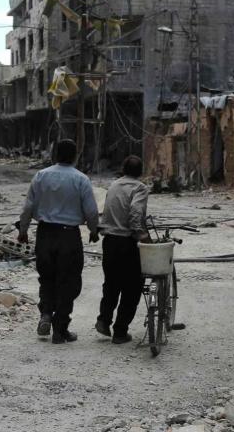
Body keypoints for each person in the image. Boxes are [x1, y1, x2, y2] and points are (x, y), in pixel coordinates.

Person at [16, 139, 99, 344]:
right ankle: (60, 330)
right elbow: (91, 211)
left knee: (47, 278)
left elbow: (28, 207)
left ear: (54, 155)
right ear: (75, 156)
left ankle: (46, 312)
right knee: (68, 282)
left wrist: (23, 231)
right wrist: (94, 230)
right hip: (69, 236)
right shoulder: (81, 179)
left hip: (45, 234)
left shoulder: (41, 176)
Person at [94, 156, 149, 344]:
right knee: (132, 288)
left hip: (109, 242)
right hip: (127, 243)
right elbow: (135, 213)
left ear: (123, 169)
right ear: (140, 171)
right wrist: (142, 235)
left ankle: (103, 320)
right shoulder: (140, 188)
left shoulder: (114, 185)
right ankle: (120, 331)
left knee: (111, 284)